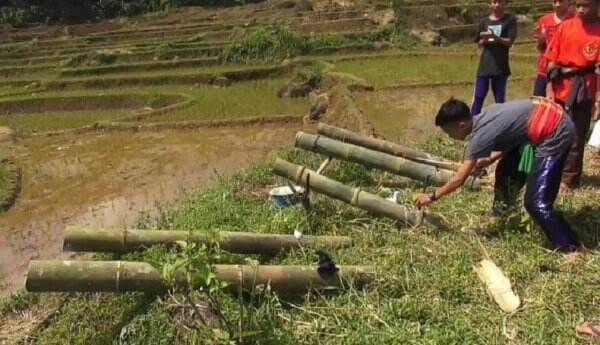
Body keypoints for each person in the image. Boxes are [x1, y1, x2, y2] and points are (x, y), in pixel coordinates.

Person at [413, 97, 579, 252]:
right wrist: (490, 160)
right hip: (547, 118)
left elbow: (459, 180)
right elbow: (513, 132)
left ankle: (569, 246)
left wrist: (432, 196)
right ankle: (503, 213)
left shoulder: (479, 136)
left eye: (449, 133)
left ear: (461, 125)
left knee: (536, 203)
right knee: (505, 172)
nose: (450, 137)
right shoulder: (485, 116)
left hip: (556, 131)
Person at [544, 0, 600, 190]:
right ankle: (549, 172)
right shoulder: (566, 26)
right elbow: (550, 60)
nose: (581, 10)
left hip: (584, 88)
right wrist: (550, 89)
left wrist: (598, 100)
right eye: (578, 5)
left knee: (576, 136)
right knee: (553, 133)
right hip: (561, 86)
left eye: (586, 6)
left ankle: (569, 180)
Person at [471, 0, 518, 116]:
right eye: (494, 2)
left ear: (505, 3)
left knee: (499, 98)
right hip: (485, 64)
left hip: (500, 65)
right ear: (490, 4)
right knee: (479, 95)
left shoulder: (510, 20)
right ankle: (472, 122)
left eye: (500, 2)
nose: (497, 4)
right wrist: (483, 41)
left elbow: (509, 42)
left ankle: (501, 122)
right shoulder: (484, 22)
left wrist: (495, 37)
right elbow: (478, 42)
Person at [532, 0, 574, 97]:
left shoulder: (575, 20)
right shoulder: (544, 20)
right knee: (538, 101)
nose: (558, 4)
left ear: (568, 2)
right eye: (555, 1)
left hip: (566, 69)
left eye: (561, 1)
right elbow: (540, 48)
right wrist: (541, 40)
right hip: (545, 68)